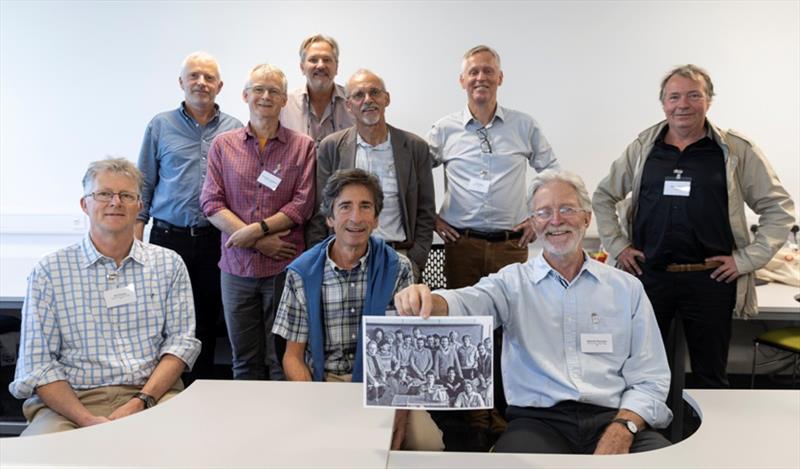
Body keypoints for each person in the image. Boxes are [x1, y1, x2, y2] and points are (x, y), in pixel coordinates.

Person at [395, 169, 673, 454]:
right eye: (543, 212)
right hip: (538, 423)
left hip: (613, 416)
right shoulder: (512, 282)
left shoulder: (626, 289)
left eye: (567, 209)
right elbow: (469, 301)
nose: (555, 220)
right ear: (533, 223)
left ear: (586, 217)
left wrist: (623, 428)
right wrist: (427, 298)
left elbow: (650, 377)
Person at [592, 64, 795, 388]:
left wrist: (746, 260)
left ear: (708, 101)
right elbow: (603, 196)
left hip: (711, 280)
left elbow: (779, 209)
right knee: (641, 372)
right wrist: (618, 246)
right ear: (663, 103)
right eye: (674, 97)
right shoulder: (644, 147)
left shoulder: (735, 151)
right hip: (649, 277)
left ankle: (713, 436)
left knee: (710, 374)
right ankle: (649, 435)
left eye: (693, 96)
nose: (682, 104)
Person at [427, 44, 560, 443]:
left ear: (500, 78)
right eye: (473, 72)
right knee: (468, 332)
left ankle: (506, 412)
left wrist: (539, 218)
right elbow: (414, 176)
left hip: (509, 247)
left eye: (488, 71)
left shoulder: (523, 126)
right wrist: (431, 218)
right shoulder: (444, 129)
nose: (480, 78)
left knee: (511, 331)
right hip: (462, 246)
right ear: (462, 80)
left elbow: (552, 171)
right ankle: (472, 418)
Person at [10, 158, 201, 436]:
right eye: (103, 194)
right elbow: (38, 364)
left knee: (187, 445)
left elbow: (180, 344)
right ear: (84, 205)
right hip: (71, 404)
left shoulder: (169, 264)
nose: (116, 202)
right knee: (41, 456)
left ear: (140, 206)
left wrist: (140, 402)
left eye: (126, 195)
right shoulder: (49, 272)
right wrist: (87, 421)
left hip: (152, 396)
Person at [272, 168, 443, 451]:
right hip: (323, 382)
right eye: (345, 207)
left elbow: (406, 355)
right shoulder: (301, 273)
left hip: (384, 383)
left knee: (428, 444)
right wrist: (314, 404)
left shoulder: (398, 268)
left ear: (376, 219)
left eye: (366, 207)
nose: (356, 217)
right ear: (329, 218)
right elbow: (293, 356)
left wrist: (397, 415)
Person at [200, 63, 316, 381]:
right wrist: (255, 238)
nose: (265, 96)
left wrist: (258, 229)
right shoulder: (223, 146)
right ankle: (246, 427)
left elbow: (302, 204)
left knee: (282, 359)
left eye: (274, 91)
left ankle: (284, 426)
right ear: (245, 95)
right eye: (259, 89)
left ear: (283, 101)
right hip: (236, 269)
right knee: (243, 360)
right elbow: (211, 203)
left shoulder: (303, 146)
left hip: (283, 267)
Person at [136, 51, 242, 382]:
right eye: (194, 76)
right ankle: (163, 391)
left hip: (215, 240)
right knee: (163, 320)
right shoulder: (160, 126)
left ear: (220, 86)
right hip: (168, 239)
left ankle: (202, 391)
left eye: (209, 77)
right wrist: (135, 245)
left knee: (207, 321)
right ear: (181, 82)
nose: (201, 83)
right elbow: (144, 186)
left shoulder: (235, 129)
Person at [308, 69, 435, 279]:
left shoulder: (415, 148)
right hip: (343, 259)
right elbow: (320, 211)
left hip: (399, 256)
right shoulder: (331, 147)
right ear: (348, 106)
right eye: (358, 95)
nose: (368, 100)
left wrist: (415, 260)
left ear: (387, 99)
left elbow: (426, 210)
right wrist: (321, 261)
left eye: (375, 92)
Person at [280, 33, 354, 145]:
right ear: (302, 67)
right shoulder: (284, 105)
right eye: (313, 60)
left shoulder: (354, 102)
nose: (320, 65)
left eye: (327, 59)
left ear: (337, 67)